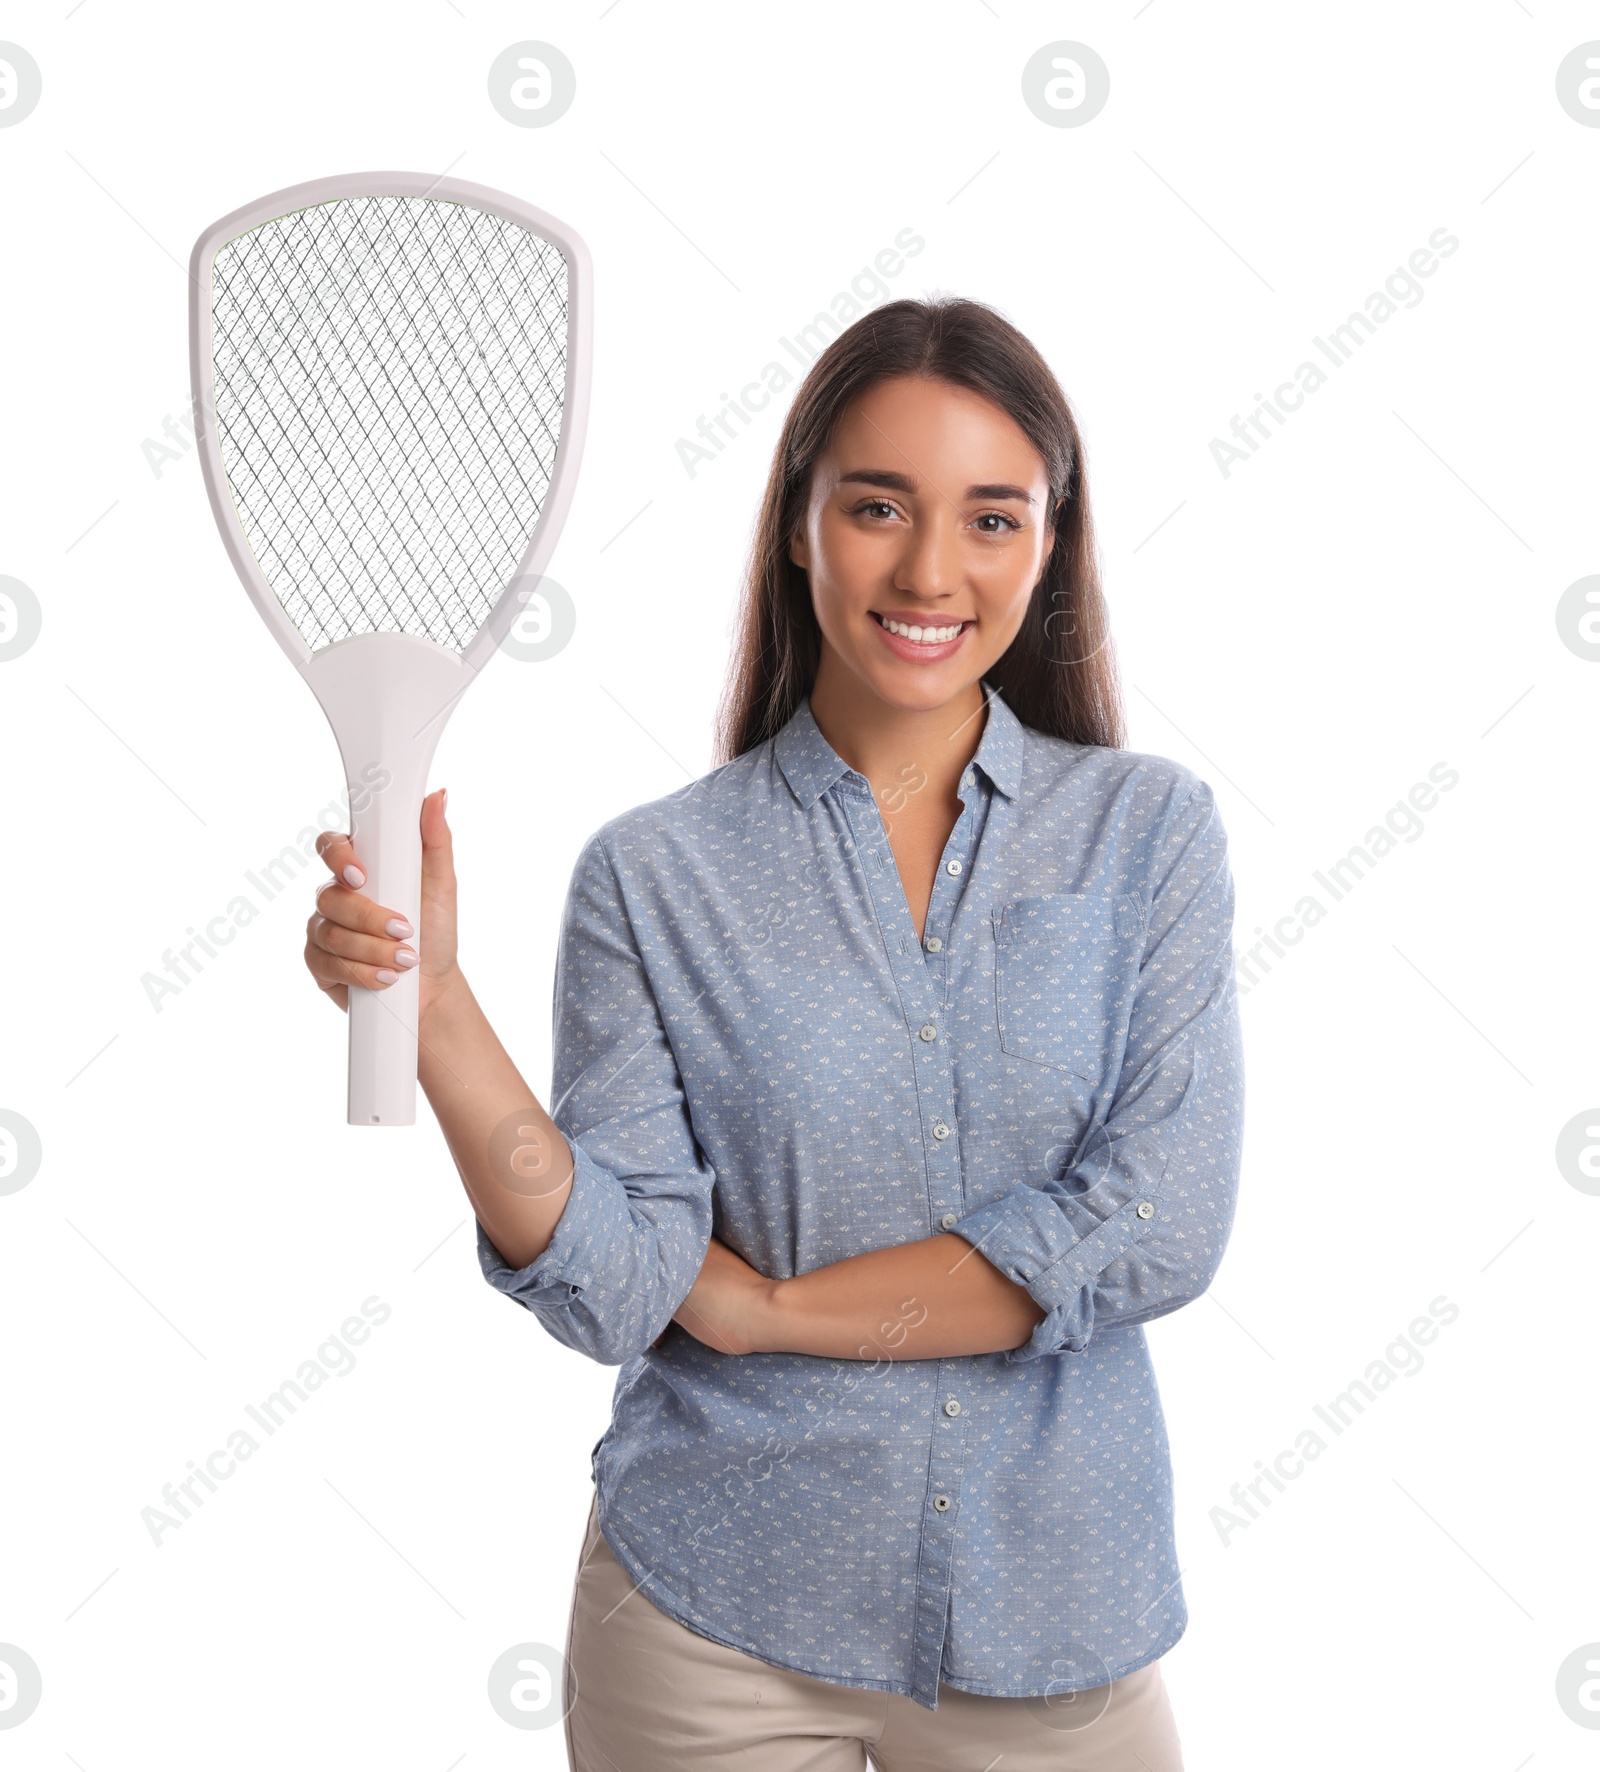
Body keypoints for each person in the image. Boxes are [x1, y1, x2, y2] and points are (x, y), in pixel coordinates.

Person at [304, 296, 1244, 1770]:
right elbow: (621, 1284)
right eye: (877, 505)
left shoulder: (1149, 837)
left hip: (1053, 1615)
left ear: (1048, 545)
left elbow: (1156, 1226)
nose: (931, 570)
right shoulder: (654, 875)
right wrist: (434, 1015)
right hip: (711, 1616)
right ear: (798, 523)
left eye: (992, 518)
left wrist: (767, 1312)